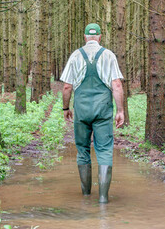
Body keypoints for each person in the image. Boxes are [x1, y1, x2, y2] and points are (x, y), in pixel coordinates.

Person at [61, 23, 125, 203]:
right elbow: (117, 85)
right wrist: (120, 111)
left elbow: (67, 86)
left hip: (81, 110)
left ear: (84, 37)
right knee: (104, 150)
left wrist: (66, 108)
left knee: (82, 149)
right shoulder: (108, 55)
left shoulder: (75, 55)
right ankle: (103, 198)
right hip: (103, 109)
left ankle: (86, 196)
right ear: (99, 36)